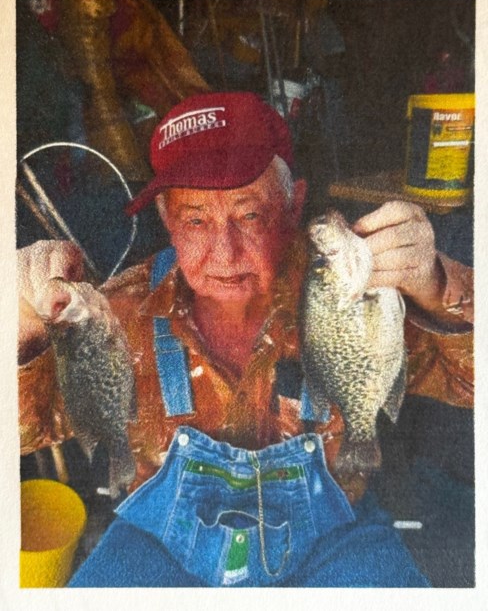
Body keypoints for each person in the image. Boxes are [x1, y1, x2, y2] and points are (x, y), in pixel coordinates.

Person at [18, 91, 473, 587]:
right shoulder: (116, 314)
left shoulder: (353, 291)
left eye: (249, 215)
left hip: (335, 536)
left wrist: (442, 285)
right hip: (158, 543)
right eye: (196, 219)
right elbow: (23, 433)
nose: (225, 252)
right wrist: (20, 322)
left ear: (293, 205)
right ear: (167, 219)